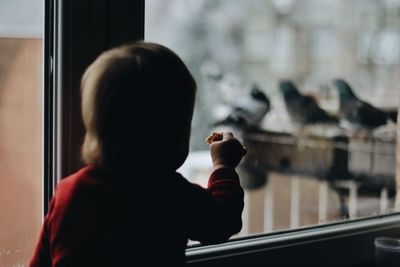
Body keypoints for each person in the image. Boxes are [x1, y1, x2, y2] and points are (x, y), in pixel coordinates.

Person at [29, 42, 246, 267]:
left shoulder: (70, 192)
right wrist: (223, 165)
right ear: (169, 136)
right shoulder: (168, 194)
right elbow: (223, 222)